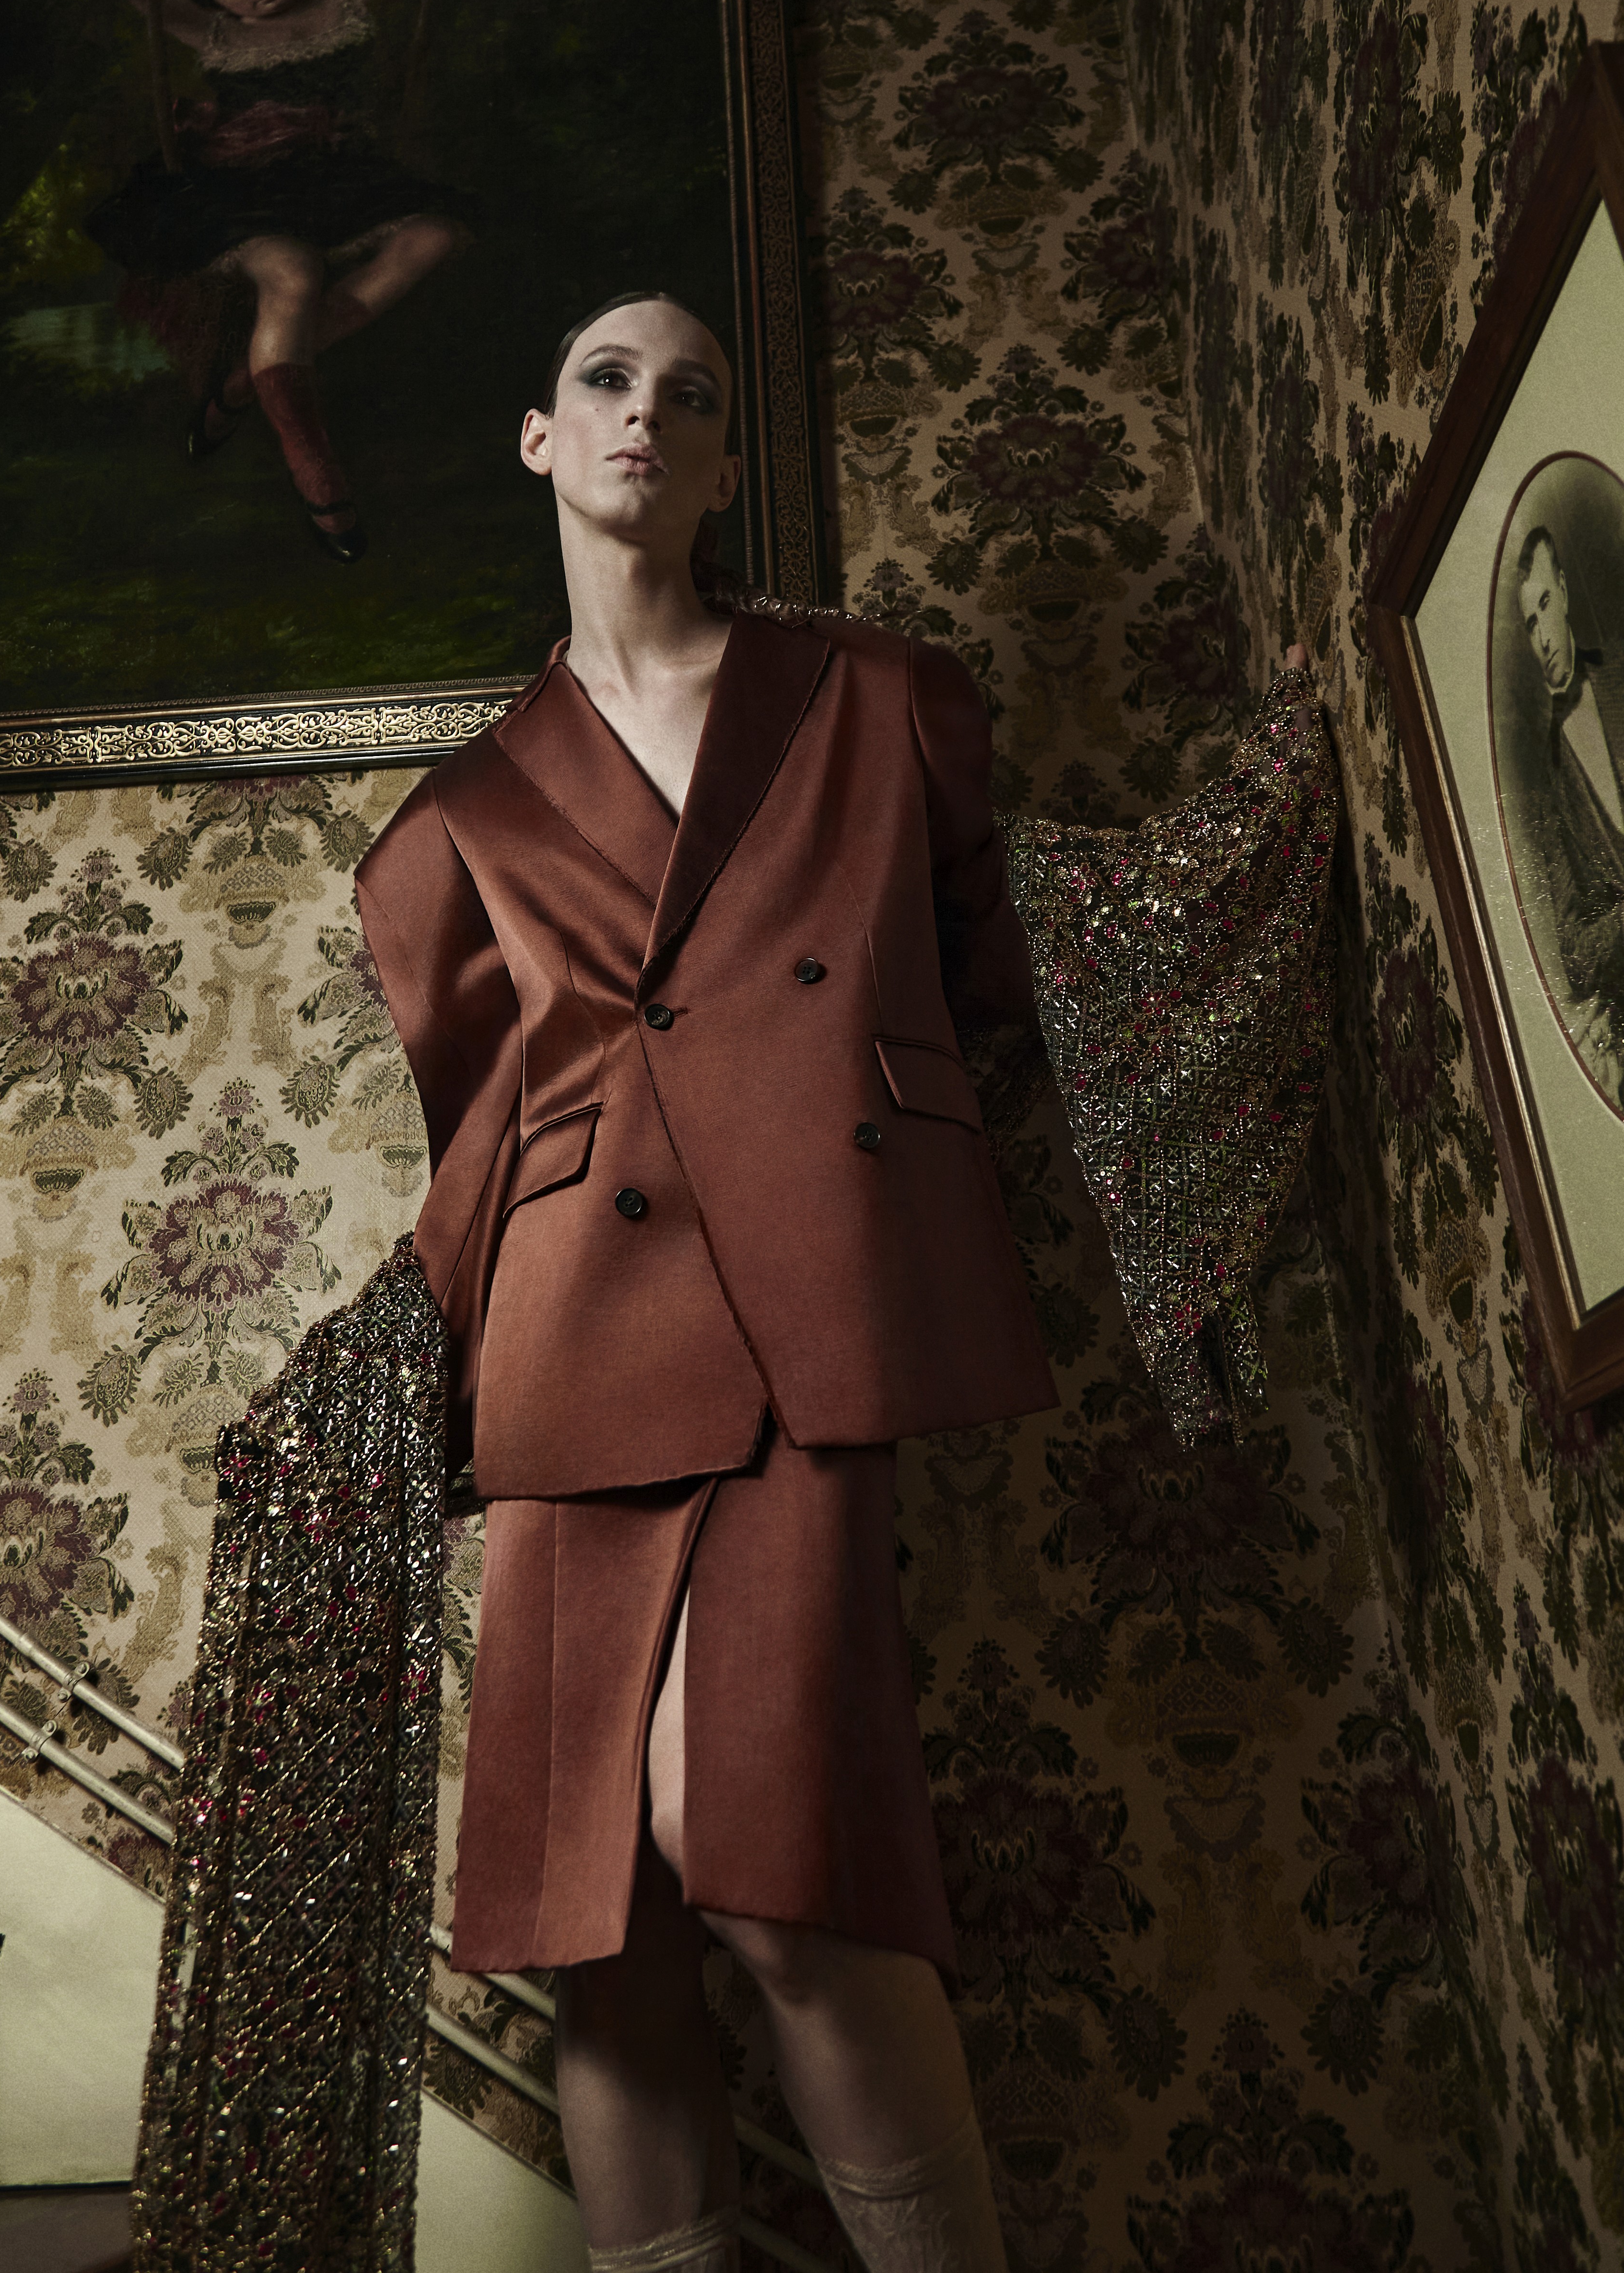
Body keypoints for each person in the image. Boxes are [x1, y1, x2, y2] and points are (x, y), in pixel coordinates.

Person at [354, 293, 1061, 2272]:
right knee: (603, 1925)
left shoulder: (880, 699)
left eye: (691, 394)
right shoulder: (455, 820)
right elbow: (485, 1123)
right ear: (538, 437)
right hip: (570, 1340)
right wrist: (401, 1353)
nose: (644, 413)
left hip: (805, 1312)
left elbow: (997, 979)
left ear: (730, 465)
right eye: (604, 380)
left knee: (769, 1874)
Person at [86, 0, 479, 561]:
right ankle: (316, 470)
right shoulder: (216, 33)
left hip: (337, 177)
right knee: (293, 272)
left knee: (433, 236)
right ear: (215, 0)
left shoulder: (344, 6)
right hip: (236, 185)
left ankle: (242, 383)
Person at [1513, 521, 1624, 1103]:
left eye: (1545, 607)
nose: (1543, 638)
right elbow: (1575, 956)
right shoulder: (1541, 778)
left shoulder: (1621, 679)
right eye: (1530, 625)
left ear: (1564, 589)